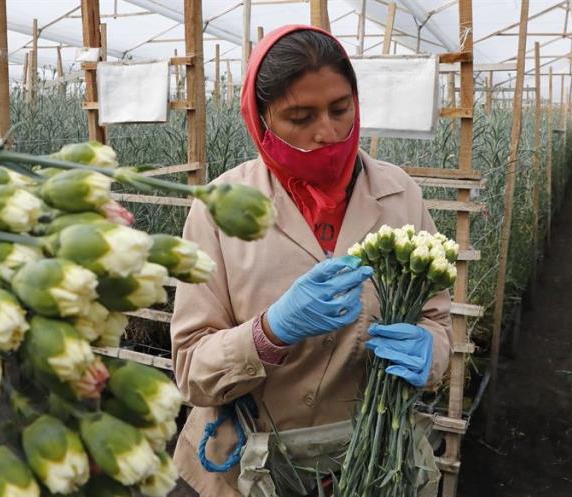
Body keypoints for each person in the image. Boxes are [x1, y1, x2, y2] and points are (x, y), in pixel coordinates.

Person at [170, 24, 453, 497]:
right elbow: (191, 370)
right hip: (243, 468)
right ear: (261, 120)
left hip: (369, 462)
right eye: (300, 116)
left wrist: (432, 353)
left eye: (341, 109)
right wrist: (268, 333)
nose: (328, 132)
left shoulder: (400, 194)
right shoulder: (220, 206)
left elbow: (437, 321)